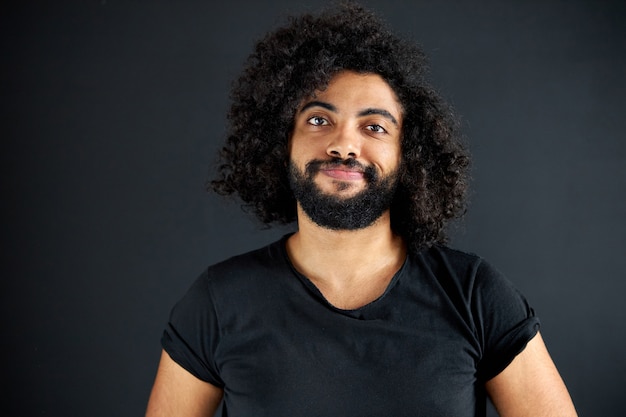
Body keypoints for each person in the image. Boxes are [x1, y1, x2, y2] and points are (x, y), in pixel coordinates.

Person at [145, 2, 578, 416]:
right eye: (318, 119)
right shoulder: (218, 302)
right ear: (282, 141)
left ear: (409, 155)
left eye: (374, 127)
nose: (344, 144)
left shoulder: (474, 294)